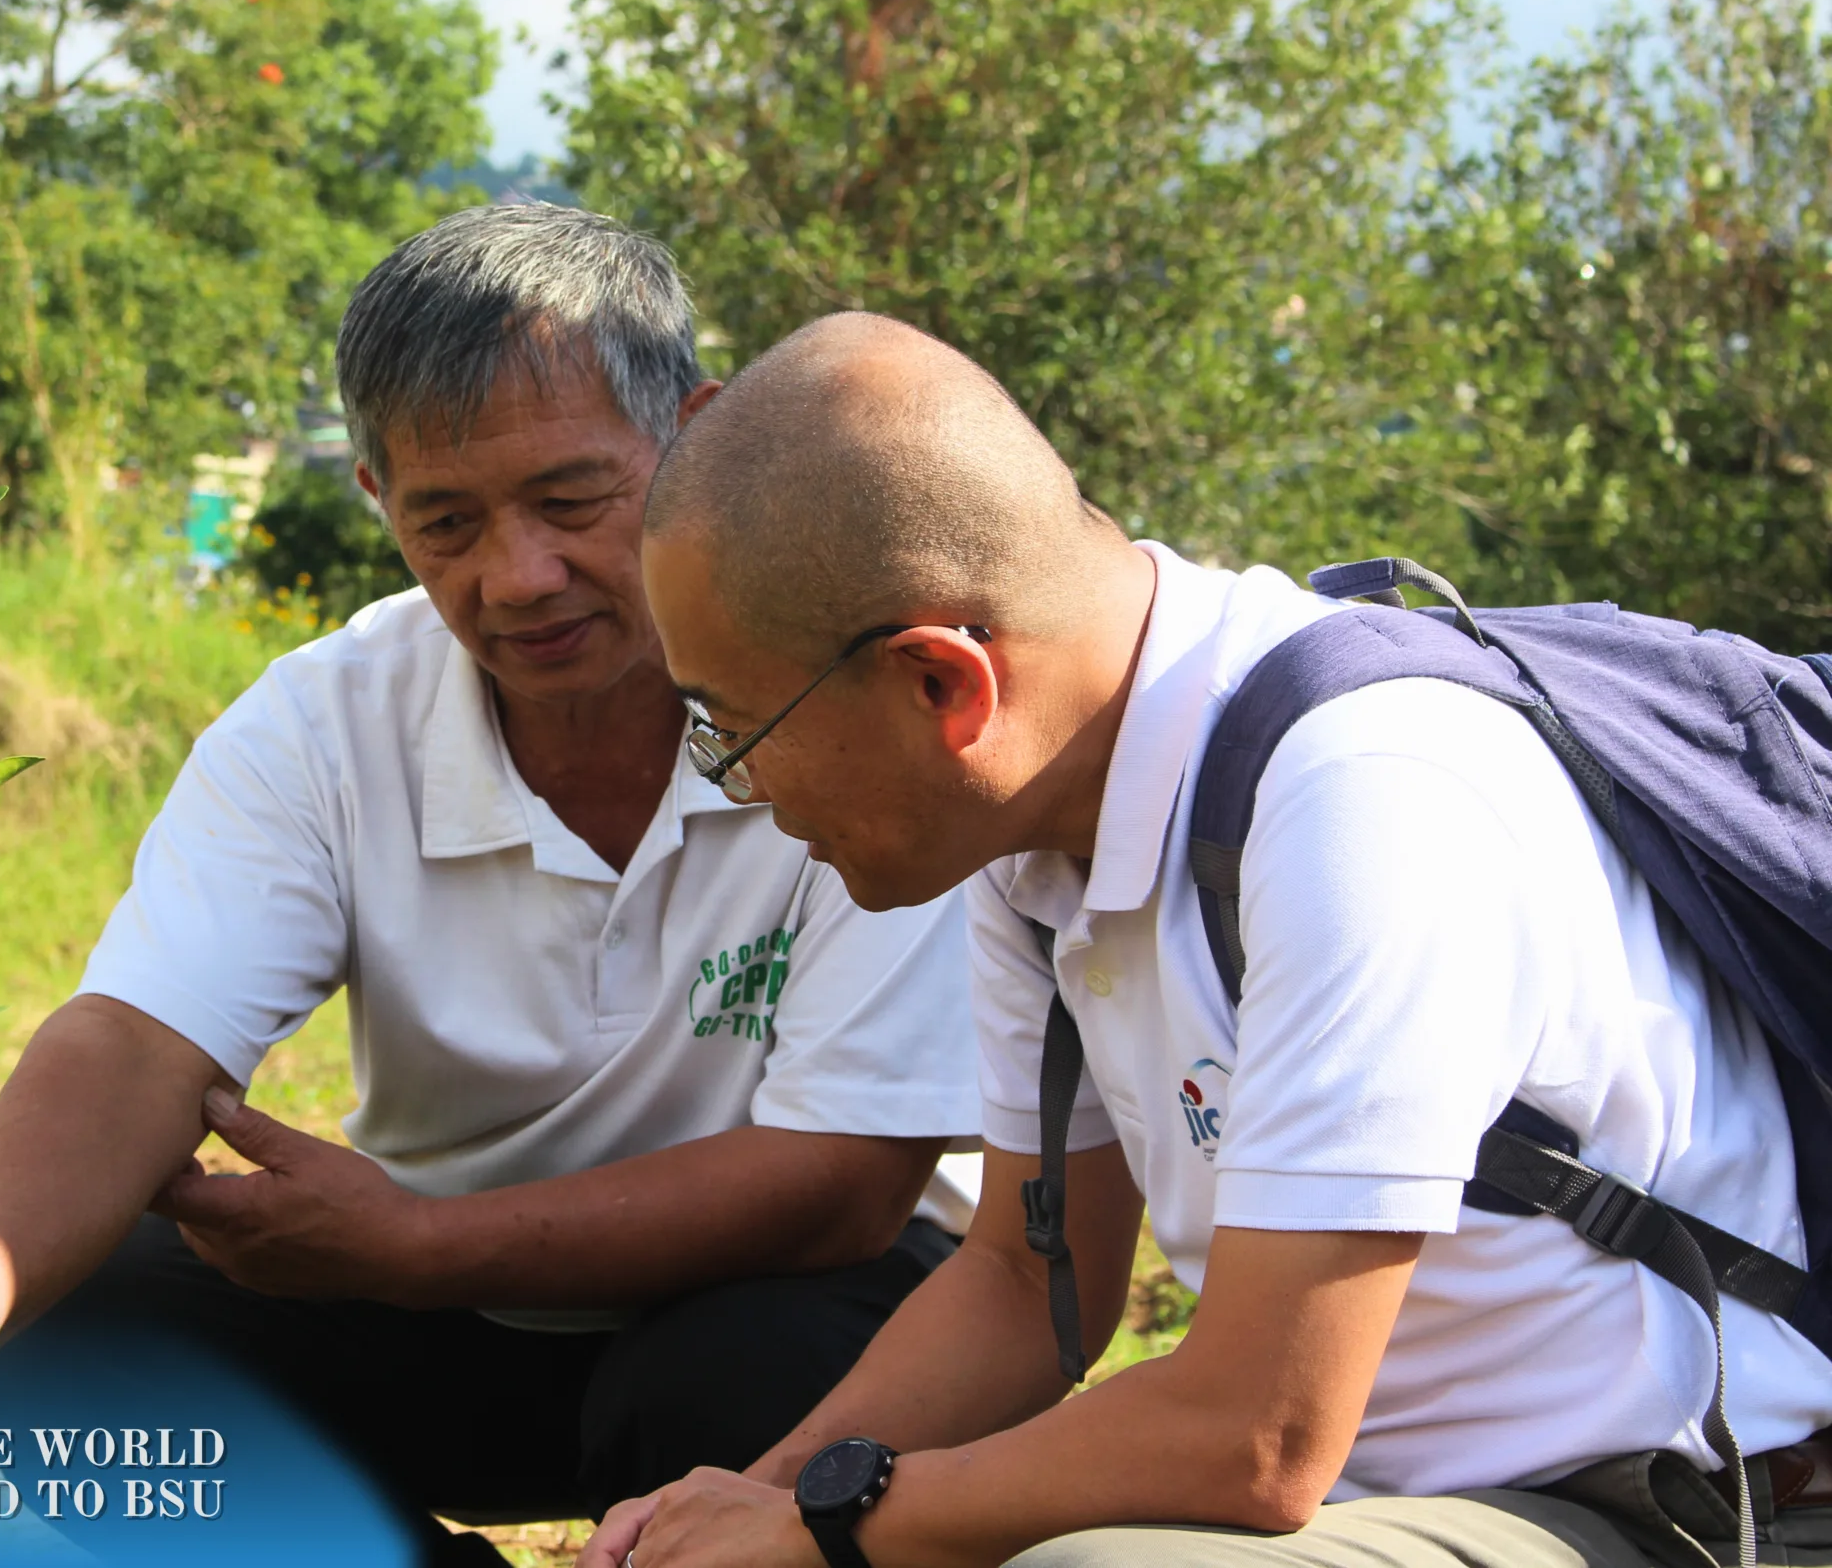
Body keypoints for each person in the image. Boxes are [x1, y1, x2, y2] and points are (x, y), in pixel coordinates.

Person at [0, 212, 987, 1562]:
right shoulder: (328, 722)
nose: (515, 575)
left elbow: (848, 1182)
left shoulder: (847, 691)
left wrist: (418, 1242)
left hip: (777, 1309)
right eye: (445, 519)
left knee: (747, 1377)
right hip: (441, 1324)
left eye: (572, 500)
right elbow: (137, 1040)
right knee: (80, 1324)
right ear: (374, 495)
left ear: (699, 435)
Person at [590, 311, 1832, 1568]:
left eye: (735, 733)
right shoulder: (1028, 839)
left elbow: (1258, 1437)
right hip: (1402, 1499)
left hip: (1689, 1508)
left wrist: (822, 1534)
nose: (735, 785)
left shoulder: (1362, 788)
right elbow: (1027, 1287)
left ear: (941, 685)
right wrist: (746, 1510)